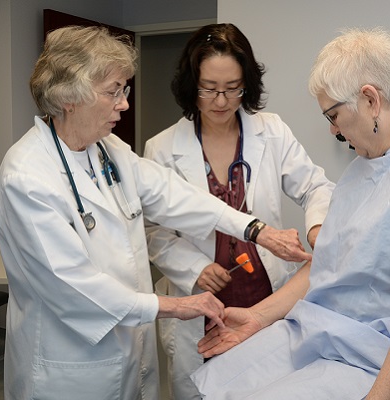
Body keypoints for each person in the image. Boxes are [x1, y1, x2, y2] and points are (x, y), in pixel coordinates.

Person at [0, 26, 311, 400]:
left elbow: (175, 195)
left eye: (123, 90)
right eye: (114, 91)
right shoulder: (26, 179)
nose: (125, 104)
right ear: (69, 97)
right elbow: (73, 288)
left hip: (127, 349)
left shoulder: (107, 148)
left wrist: (255, 229)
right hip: (69, 366)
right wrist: (175, 305)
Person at [190, 27, 390, 400]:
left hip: (364, 355)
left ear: (370, 100)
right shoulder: (361, 170)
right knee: (221, 382)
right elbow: (326, 266)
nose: (333, 130)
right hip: (312, 330)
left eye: (334, 114)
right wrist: (258, 316)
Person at [143, 23, 335, 400]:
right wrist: (193, 267)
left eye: (232, 88)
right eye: (209, 89)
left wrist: (316, 229)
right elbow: (153, 231)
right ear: (190, 85)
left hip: (265, 294)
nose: (220, 101)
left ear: (247, 84)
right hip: (202, 301)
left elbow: (316, 186)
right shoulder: (162, 148)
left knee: (268, 386)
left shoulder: (272, 131)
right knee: (202, 389)